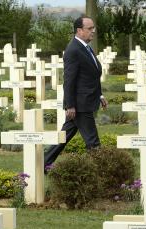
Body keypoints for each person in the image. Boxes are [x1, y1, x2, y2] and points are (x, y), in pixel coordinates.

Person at [44, 16, 108, 168]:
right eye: (90, 29)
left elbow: (91, 75)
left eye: (94, 28)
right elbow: (69, 80)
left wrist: (100, 95)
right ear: (79, 30)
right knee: (93, 143)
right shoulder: (73, 50)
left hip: (85, 100)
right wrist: (70, 105)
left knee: (64, 137)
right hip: (81, 105)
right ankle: (102, 174)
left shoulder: (85, 47)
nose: (93, 31)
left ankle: (42, 163)